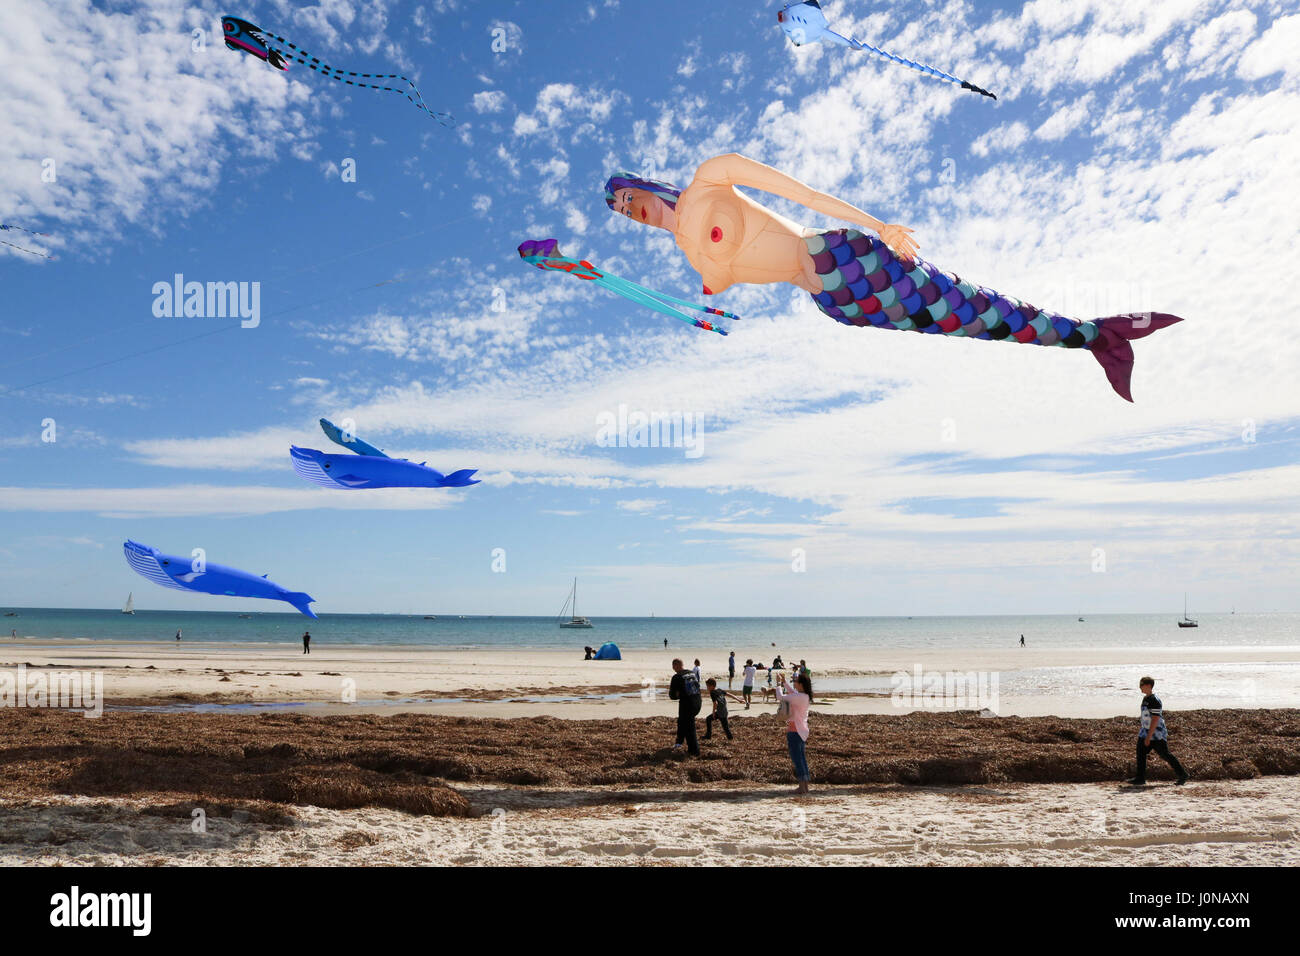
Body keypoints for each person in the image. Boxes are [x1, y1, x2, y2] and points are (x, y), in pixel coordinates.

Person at [604, 159, 1182, 404]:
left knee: (964, 302)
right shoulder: (693, 260)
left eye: (629, 199)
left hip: (843, 256)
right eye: (622, 213)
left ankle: (1096, 333)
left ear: (646, 185)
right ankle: (1093, 340)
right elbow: (711, 299)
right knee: (964, 325)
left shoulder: (709, 179)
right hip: (834, 302)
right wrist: (584, 273)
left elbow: (801, 194)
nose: (632, 212)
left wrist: (877, 224)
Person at [1127, 677, 1188, 786]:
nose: (1140, 687)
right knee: (1140, 753)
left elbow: (1155, 719)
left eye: (1142, 684)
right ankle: (1140, 778)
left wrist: (1149, 737)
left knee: (1165, 754)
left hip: (1156, 733)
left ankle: (1183, 774)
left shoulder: (1155, 700)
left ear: (1149, 686)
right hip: (1145, 731)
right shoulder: (1146, 699)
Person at [775, 671, 813, 794]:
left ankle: (802, 787)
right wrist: (784, 682)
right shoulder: (804, 696)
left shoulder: (799, 697)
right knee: (801, 758)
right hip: (801, 731)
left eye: (796, 681)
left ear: (801, 684)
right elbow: (793, 693)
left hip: (795, 731)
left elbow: (780, 697)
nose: (794, 683)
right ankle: (804, 786)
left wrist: (778, 684)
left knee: (798, 759)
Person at [668, 658, 702, 756]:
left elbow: (672, 696)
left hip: (687, 704)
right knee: (681, 721)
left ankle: (694, 751)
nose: (673, 668)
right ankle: (679, 742)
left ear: (675, 666)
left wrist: (678, 694)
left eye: (673, 666)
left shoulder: (676, 677)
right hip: (698, 702)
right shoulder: (692, 673)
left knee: (689, 727)